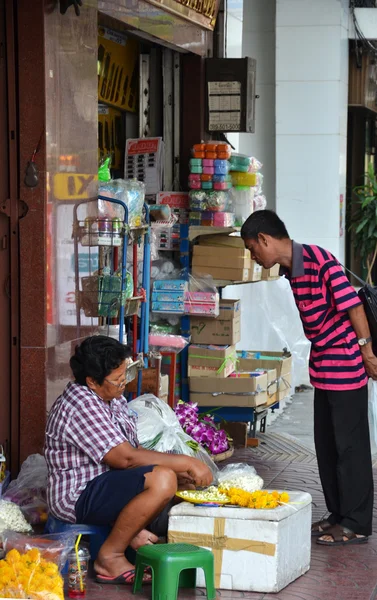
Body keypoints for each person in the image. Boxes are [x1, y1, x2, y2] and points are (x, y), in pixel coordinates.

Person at [241, 210, 376, 546]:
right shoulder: (290, 270)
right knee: (328, 446)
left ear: (265, 239)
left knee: (350, 447)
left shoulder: (318, 259)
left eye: (253, 249)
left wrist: (367, 350)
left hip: (345, 364)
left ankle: (356, 523)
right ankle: (338, 514)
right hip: (324, 367)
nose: (254, 257)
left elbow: (353, 307)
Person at [45, 335, 212, 585]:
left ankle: (141, 538)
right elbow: (126, 458)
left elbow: (134, 449)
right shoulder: (81, 402)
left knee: (183, 484)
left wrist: (179, 469)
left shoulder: (112, 396)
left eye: (126, 375)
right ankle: (110, 557)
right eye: (117, 380)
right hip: (77, 495)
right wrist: (187, 462)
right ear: (92, 381)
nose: (123, 384)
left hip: (106, 483)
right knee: (163, 479)